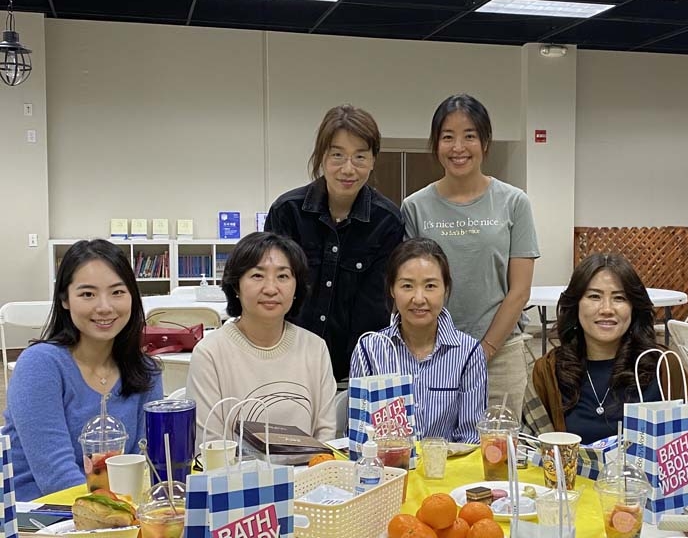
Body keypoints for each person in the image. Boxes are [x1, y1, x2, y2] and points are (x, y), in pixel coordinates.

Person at [401, 94, 539, 417]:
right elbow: (409, 284)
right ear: (436, 144)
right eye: (448, 137)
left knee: (497, 446)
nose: (458, 147)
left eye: (469, 136)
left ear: (485, 142)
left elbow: (519, 291)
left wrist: (483, 351)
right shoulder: (415, 207)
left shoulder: (514, 202)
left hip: (500, 354)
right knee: (434, 442)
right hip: (431, 353)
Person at [1, 239, 163, 500]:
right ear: (65, 299)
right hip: (38, 511)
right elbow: (56, 478)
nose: (104, 307)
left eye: (117, 292)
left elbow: (144, 466)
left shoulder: (146, 371)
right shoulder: (40, 365)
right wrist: (116, 513)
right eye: (88, 294)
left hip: (119, 512)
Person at [266, 105, 404, 381]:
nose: (348, 169)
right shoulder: (287, 212)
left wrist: (358, 374)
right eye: (337, 155)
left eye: (360, 156)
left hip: (353, 371)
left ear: (373, 160)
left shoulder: (387, 221)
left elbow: (374, 308)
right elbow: (272, 290)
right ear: (321, 157)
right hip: (287, 364)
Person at [186, 232, 336, 442]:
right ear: (236, 285)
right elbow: (209, 445)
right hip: (232, 465)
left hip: (310, 464)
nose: (271, 289)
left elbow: (326, 435)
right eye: (257, 275)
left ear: (296, 287)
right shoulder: (210, 353)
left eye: (283, 276)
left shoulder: (315, 348)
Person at [523, 253, 688, 444]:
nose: (607, 309)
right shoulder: (548, 373)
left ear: (634, 307)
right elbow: (530, 449)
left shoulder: (664, 368)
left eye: (619, 298)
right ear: (576, 305)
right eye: (594, 296)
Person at [349, 238, 487, 442]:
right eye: (407, 286)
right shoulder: (369, 350)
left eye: (430, 286)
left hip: (447, 462)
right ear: (392, 289)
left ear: (445, 289)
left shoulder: (468, 352)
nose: (419, 299)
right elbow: (359, 433)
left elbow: (471, 438)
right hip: (385, 462)